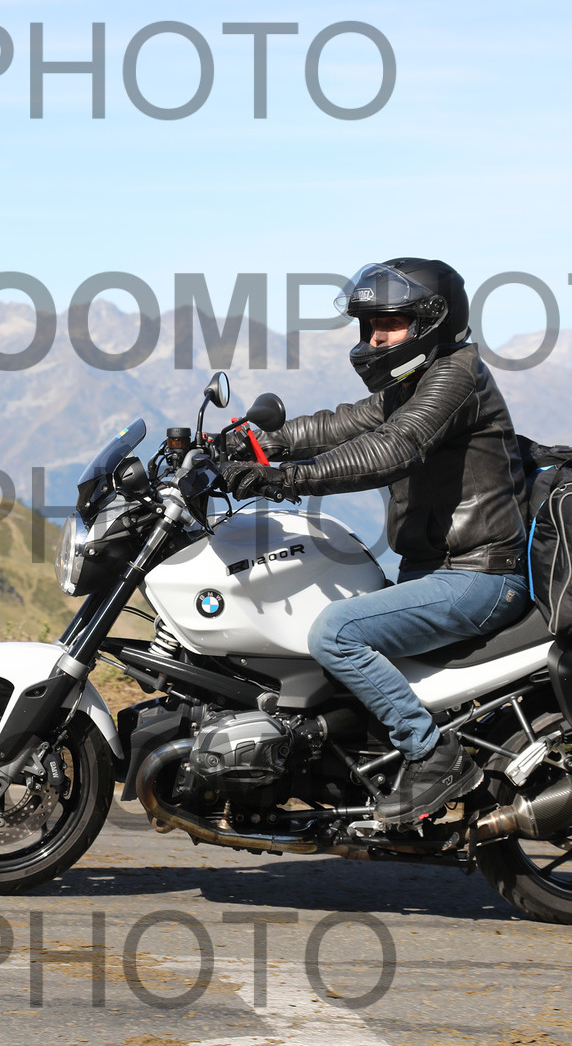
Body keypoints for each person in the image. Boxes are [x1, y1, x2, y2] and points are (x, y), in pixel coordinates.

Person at [219, 258, 530, 826]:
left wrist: (285, 479)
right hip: (435, 570)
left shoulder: (456, 376)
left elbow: (394, 447)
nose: (375, 338)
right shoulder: (413, 382)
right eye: (370, 325)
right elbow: (341, 424)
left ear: (431, 322)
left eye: (390, 324)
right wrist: (255, 443)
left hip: (478, 575)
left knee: (335, 633)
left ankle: (432, 756)